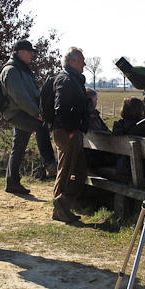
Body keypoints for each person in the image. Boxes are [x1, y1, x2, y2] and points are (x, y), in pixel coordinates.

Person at [1, 39, 57, 195]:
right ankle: (50, 163)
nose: (32, 54)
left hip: (23, 112)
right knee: (40, 126)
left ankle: (12, 182)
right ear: (20, 52)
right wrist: (37, 114)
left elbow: (32, 93)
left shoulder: (22, 69)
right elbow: (21, 97)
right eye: (30, 51)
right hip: (17, 114)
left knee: (18, 148)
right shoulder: (11, 70)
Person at [52, 47, 89, 223]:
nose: (85, 64)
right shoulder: (66, 80)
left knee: (79, 172)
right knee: (65, 171)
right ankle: (59, 209)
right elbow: (61, 108)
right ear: (72, 62)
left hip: (71, 132)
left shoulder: (73, 79)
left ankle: (62, 205)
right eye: (82, 60)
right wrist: (71, 130)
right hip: (67, 133)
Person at [112, 97, 145, 176]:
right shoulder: (141, 129)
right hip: (139, 168)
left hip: (121, 165)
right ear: (140, 111)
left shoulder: (119, 126)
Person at [84, 88, 116, 168]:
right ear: (90, 101)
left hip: (86, 155)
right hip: (95, 156)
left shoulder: (81, 115)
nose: (96, 102)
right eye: (95, 100)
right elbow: (103, 132)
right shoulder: (91, 117)